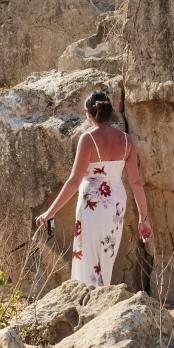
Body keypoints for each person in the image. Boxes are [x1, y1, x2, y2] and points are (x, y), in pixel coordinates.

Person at [36, 90, 152, 287]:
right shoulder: (126, 140)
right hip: (115, 204)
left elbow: (74, 181)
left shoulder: (87, 139)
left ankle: (88, 305)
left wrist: (49, 213)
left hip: (92, 204)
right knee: (106, 260)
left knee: (87, 259)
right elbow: (136, 182)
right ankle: (101, 298)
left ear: (88, 114)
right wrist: (144, 218)